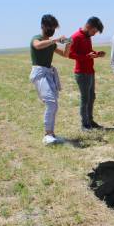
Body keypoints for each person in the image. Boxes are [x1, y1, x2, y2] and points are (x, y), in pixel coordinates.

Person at [29, 14, 70, 145]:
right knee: (51, 103)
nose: (52, 29)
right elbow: (37, 45)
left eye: (54, 27)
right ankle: (47, 135)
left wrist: (69, 43)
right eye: (50, 27)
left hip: (48, 73)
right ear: (42, 26)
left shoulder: (51, 43)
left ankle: (51, 134)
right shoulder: (37, 38)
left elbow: (65, 54)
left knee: (54, 104)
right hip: (40, 73)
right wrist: (56, 40)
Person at [68, 16, 105, 131]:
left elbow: (88, 52)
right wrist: (86, 57)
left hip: (90, 71)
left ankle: (90, 121)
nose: (94, 34)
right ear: (88, 26)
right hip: (81, 73)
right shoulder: (75, 37)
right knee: (85, 99)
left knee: (91, 97)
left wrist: (97, 53)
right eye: (94, 31)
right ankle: (84, 124)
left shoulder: (87, 36)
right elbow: (70, 54)